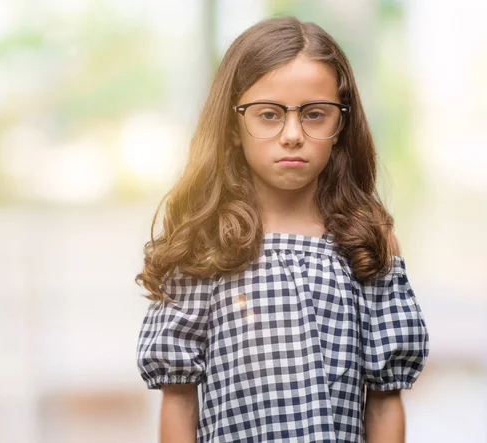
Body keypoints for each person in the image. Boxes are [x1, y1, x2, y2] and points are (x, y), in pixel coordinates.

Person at [134, 16, 429, 443]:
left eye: (314, 114)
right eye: (268, 114)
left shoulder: (366, 242)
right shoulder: (205, 243)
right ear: (232, 125)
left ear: (340, 125)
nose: (292, 135)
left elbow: (384, 400)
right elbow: (178, 399)